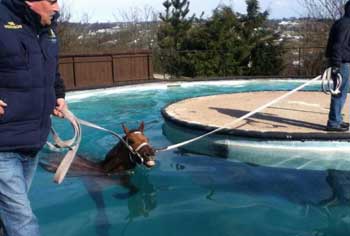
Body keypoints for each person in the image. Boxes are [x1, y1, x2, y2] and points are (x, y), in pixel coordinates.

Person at [0, 0, 66, 235]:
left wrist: (58, 96)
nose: (57, 7)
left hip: (33, 142)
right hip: (2, 146)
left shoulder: (47, 29)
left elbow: (52, 70)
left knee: (10, 220)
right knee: (23, 224)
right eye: (52, 1)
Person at [325, 0, 350, 132]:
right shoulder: (346, 24)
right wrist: (335, 64)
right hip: (341, 63)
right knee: (339, 93)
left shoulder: (342, 22)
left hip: (342, 62)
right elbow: (337, 46)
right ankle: (333, 123)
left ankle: (337, 119)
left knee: (342, 92)